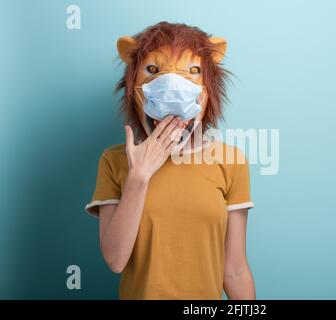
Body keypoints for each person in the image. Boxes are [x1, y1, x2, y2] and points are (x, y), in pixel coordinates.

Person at [85, 22, 255, 300]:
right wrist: (139, 176)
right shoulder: (114, 161)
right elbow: (115, 261)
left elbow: (234, 270)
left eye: (193, 71)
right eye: (153, 70)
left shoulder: (230, 161)